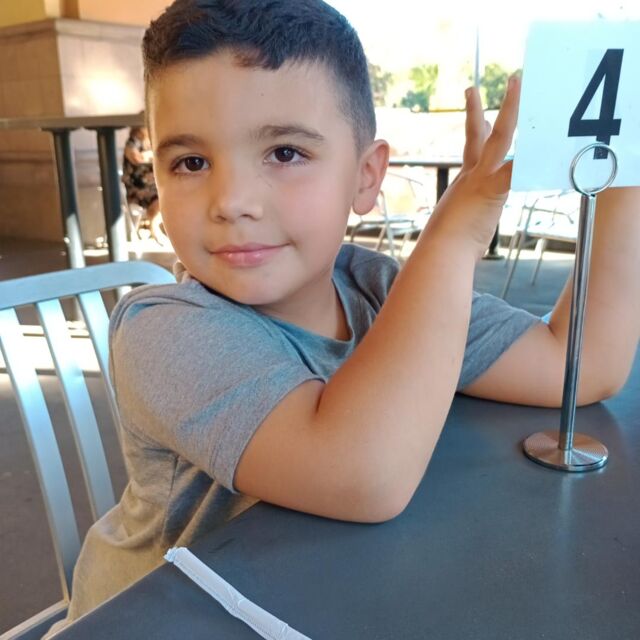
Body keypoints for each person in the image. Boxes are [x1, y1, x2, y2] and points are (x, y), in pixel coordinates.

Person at [46, 0, 640, 633]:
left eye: (284, 153)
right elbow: (364, 474)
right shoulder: (162, 330)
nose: (232, 201)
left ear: (365, 176)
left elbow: (581, 363)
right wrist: (454, 237)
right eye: (191, 162)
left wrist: (624, 167)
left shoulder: (380, 290)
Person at [121, 125, 164, 242]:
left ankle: (155, 222)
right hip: (137, 187)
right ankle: (154, 224)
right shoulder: (133, 142)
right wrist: (151, 156)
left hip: (150, 185)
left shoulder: (149, 142)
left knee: (169, 193)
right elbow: (136, 158)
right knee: (163, 196)